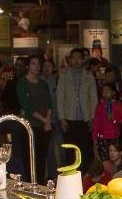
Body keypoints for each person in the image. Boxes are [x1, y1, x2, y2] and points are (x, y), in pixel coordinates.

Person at [56, 47, 97, 174]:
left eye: (79, 58)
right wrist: (62, 117)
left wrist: (93, 117)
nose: (77, 61)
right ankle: (70, 175)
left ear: (83, 60)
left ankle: (85, 176)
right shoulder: (63, 76)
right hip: (69, 118)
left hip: (86, 119)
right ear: (70, 60)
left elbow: (94, 98)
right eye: (74, 58)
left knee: (86, 149)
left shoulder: (89, 76)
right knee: (70, 149)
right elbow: (60, 97)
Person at [16, 54, 54, 184]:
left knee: (42, 157)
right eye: (33, 63)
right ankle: (31, 184)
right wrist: (44, 120)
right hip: (29, 126)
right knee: (29, 157)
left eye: (38, 64)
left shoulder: (43, 83)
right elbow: (26, 106)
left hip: (44, 126)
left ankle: (41, 184)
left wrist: (47, 120)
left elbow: (49, 103)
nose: (37, 66)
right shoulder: (22, 83)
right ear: (28, 66)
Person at [92, 82, 122, 160]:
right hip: (102, 138)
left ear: (113, 92)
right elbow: (96, 124)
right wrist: (95, 139)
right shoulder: (99, 106)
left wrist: (114, 119)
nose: (105, 93)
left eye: (107, 91)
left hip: (114, 137)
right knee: (104, 159)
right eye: (103, 91)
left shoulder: (118, 105)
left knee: (115, 158)